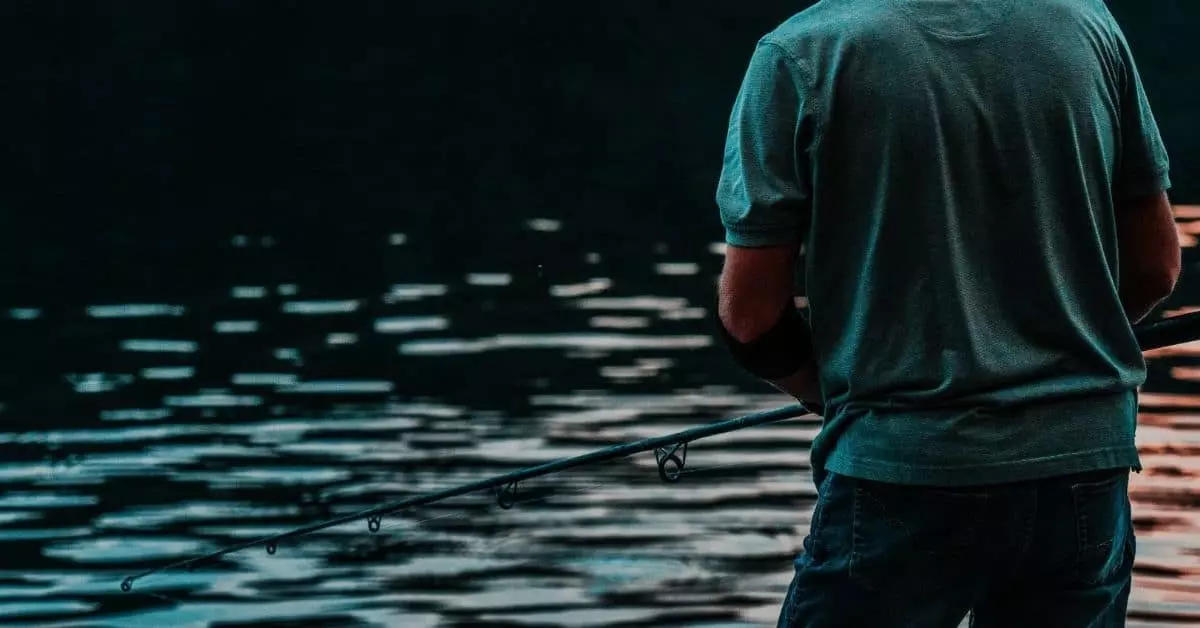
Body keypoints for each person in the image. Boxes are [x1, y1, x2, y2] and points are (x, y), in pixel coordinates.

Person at [713, 0, 1180, 626]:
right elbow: (1157, 266)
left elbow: (751, 315)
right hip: (1083, 467)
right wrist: (1072, 335)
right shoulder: (1087, 24)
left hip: (901, 467)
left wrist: (829, 395)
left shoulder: (801, 53)